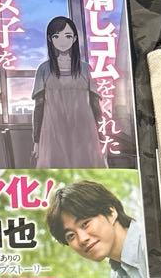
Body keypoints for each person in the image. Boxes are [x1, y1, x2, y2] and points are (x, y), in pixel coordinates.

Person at [45, 180, 149, 278]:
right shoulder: (118, 274)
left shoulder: (150, 245)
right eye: (71, 235)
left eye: (85, 224)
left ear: (111, 212)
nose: (82, 239)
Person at [31, 15, 105, 169]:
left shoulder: (85, 69)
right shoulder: (43, 69)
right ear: (50, 39)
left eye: (68, 36)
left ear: (75, 39)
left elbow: (95, 104)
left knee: (87, 172)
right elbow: (39, 106)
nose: (62, 41)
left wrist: (100, 136)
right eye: (56, 36)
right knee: (54, 172)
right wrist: (36, 140)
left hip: (84, 129)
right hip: (53, 131)